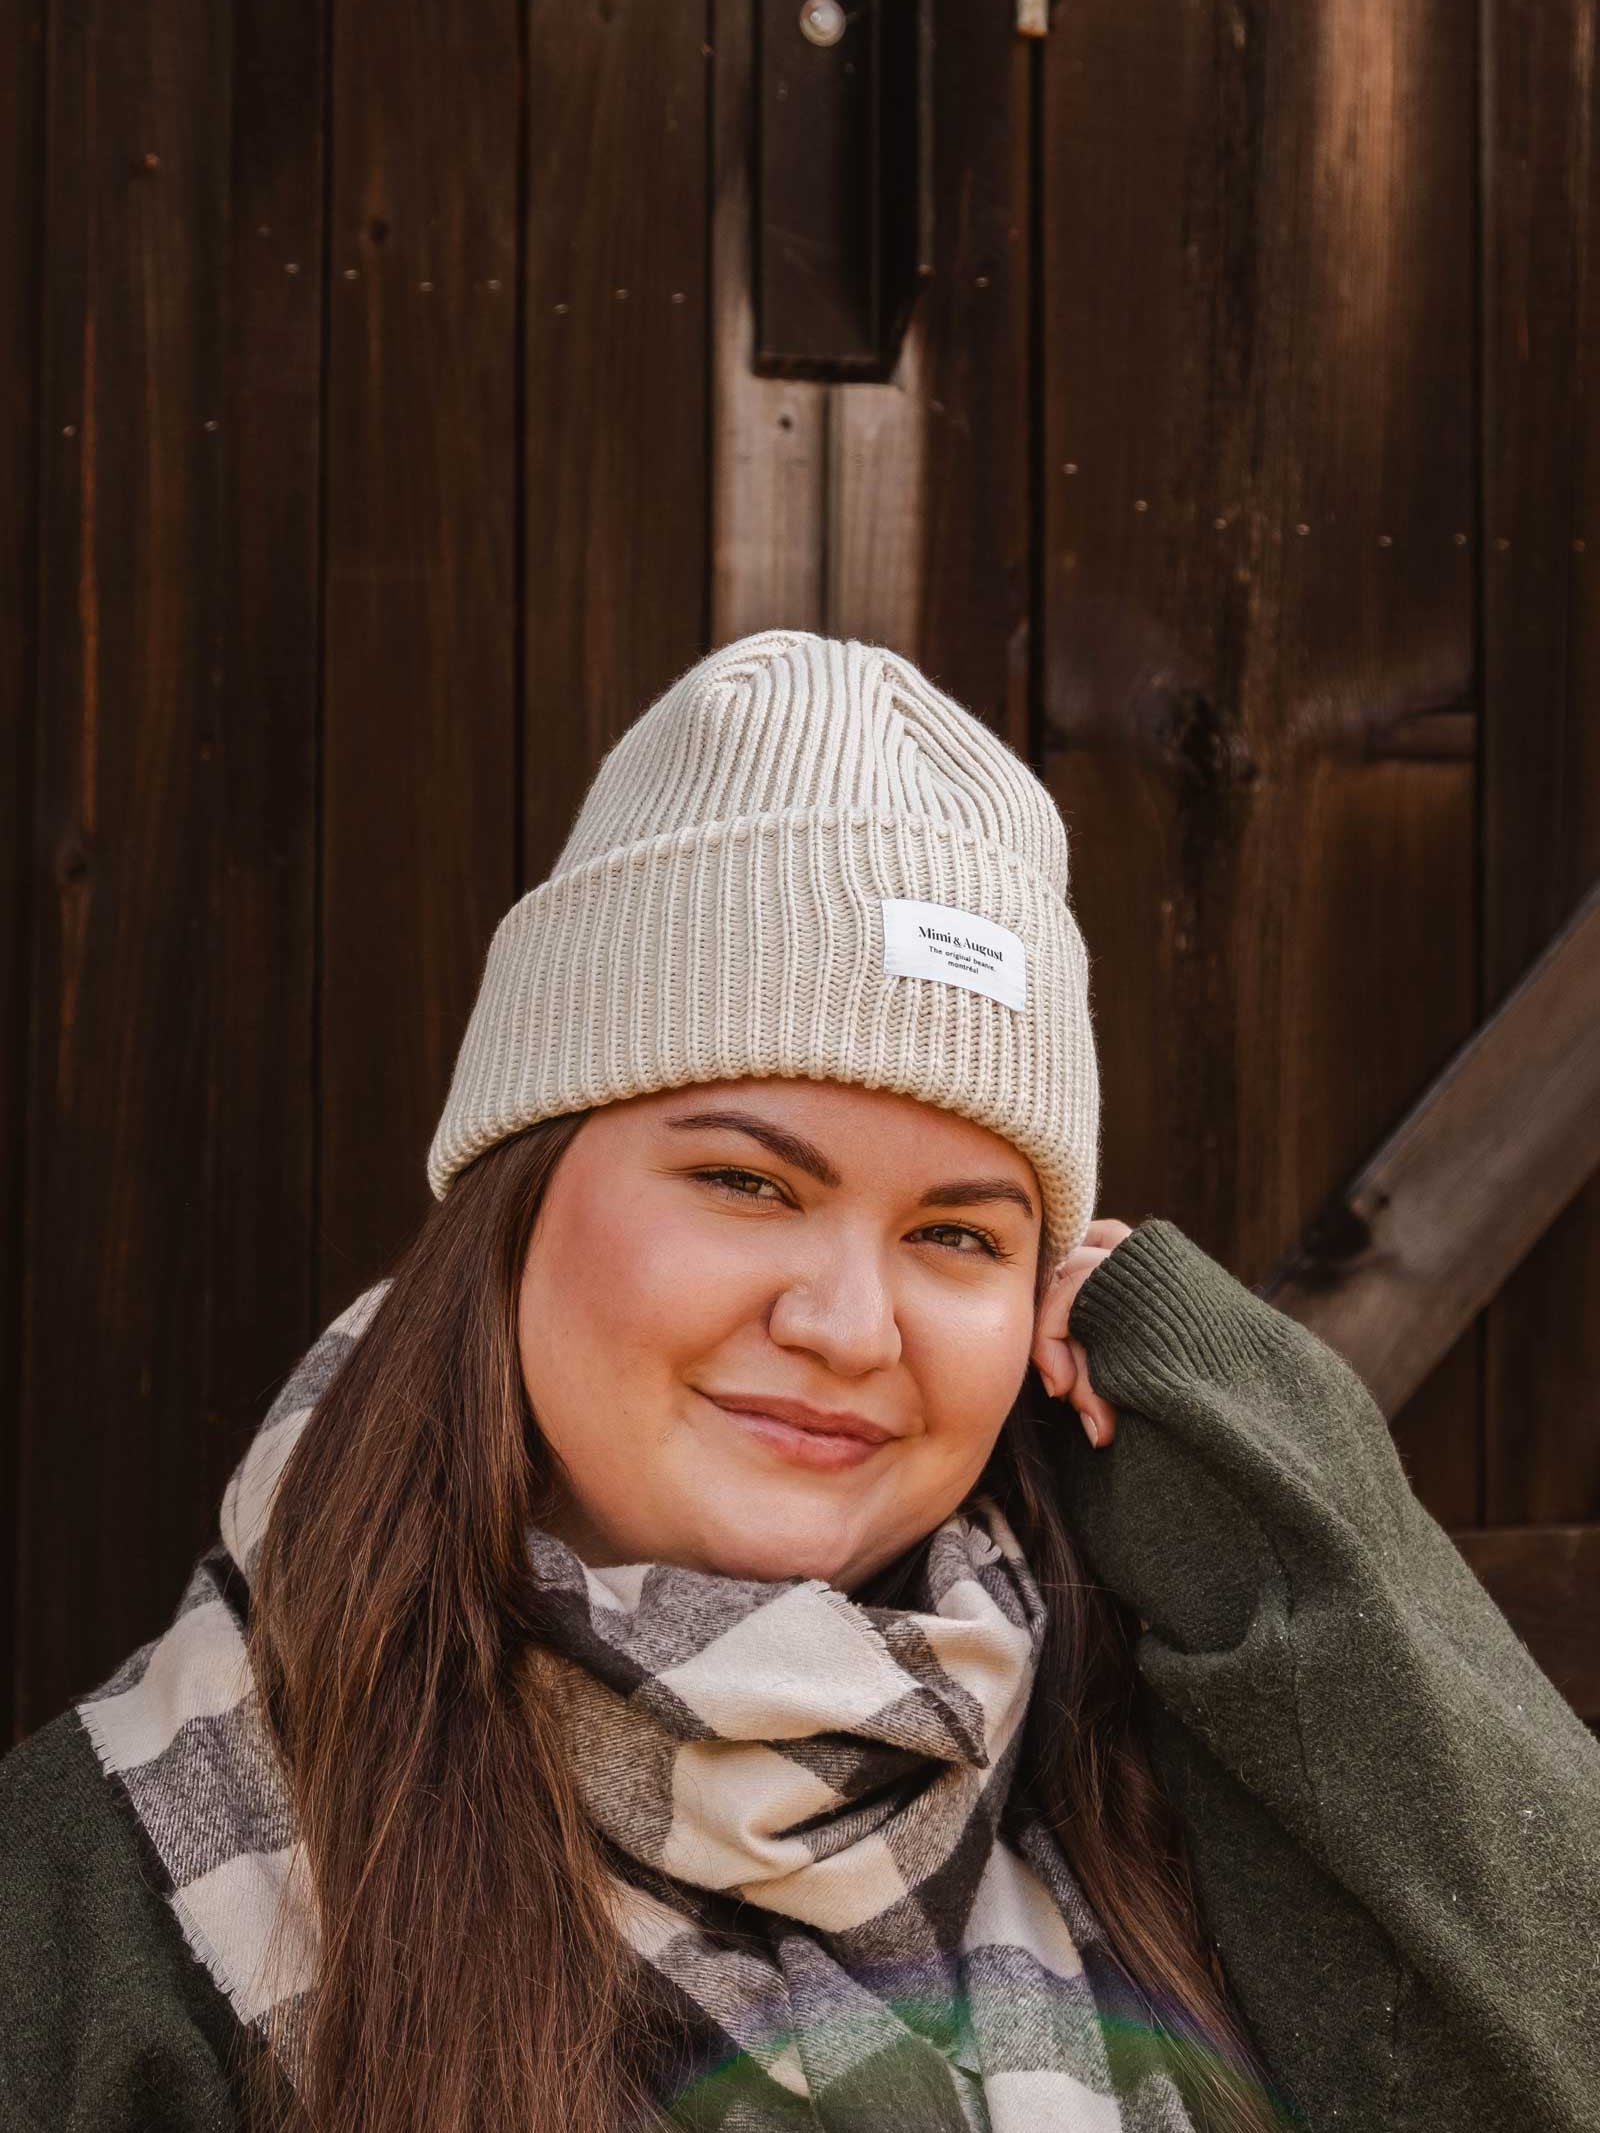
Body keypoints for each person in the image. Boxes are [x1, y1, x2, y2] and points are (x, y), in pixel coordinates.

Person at [1, 630, 1595, 2133]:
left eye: (959, 1234)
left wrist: (1263, 1465)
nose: (848, 1324)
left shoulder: (1148, 1787)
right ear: (513, 1200)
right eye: (747, 1182)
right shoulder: (99, 1903)